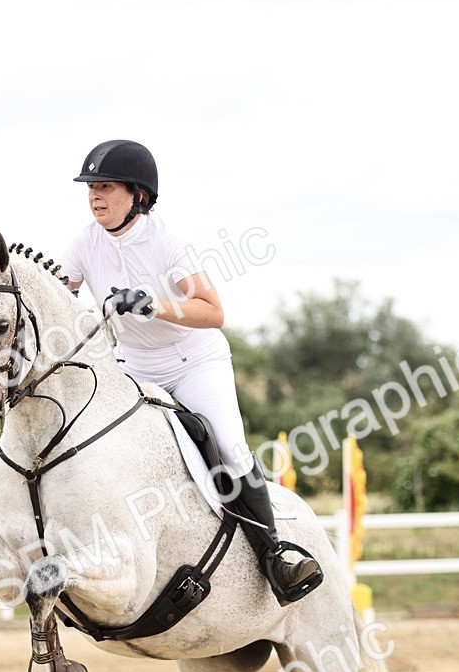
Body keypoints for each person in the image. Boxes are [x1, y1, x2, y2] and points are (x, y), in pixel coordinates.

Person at [61, 138, 322, 605]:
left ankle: (275, 554)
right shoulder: (84, 241)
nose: (95, 195)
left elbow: (213, 311)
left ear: (137, 194)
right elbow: (62, 296)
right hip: (133, 366)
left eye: (106, 186)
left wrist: (153, 305)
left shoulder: (168, 244)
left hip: (193, 362)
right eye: (90, 187)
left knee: (228, 443)